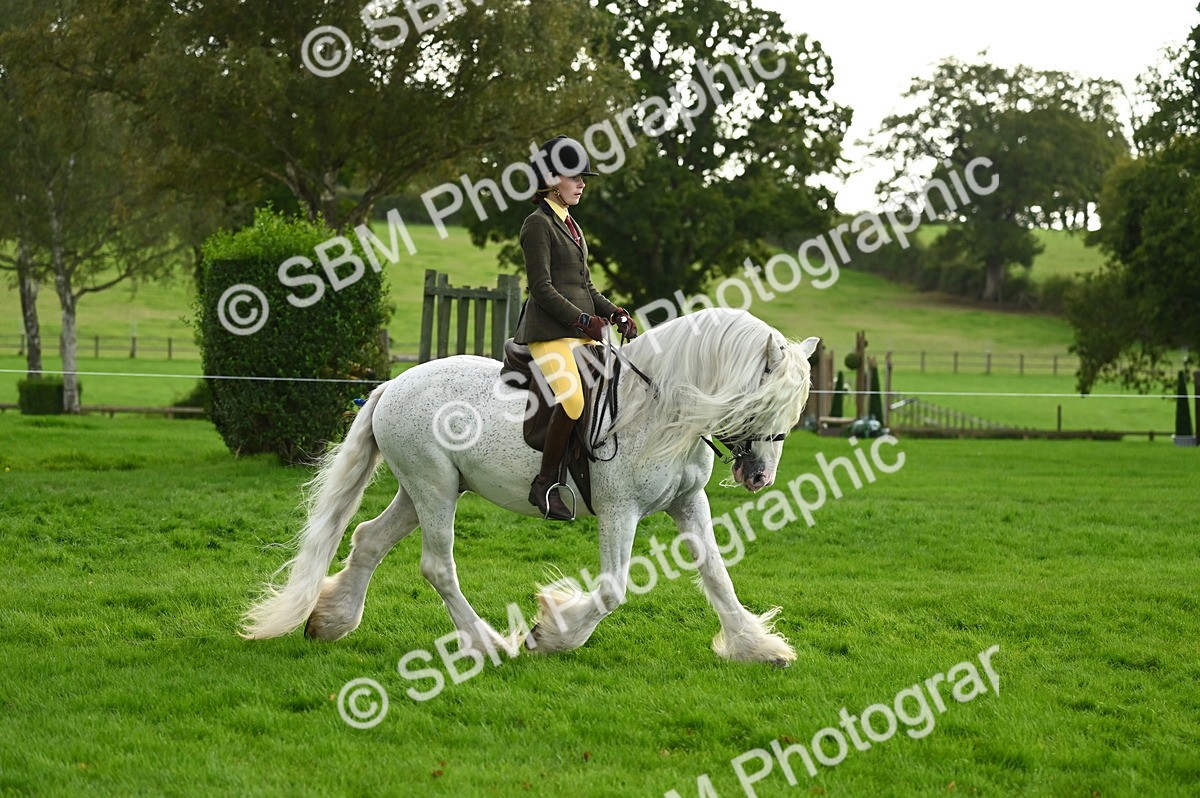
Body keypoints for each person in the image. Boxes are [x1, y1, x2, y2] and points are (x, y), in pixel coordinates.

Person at [513, 135, 638, 520]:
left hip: (578, 333)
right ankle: (545, 483)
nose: (582, 183)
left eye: (584, 177)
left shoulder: (571, 224)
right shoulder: (537, 225)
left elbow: (585, 287)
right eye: (575, 177)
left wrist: (614, 312)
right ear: (551, 179)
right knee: (573, 400)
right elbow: (542, 288)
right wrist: (583, 319)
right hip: (547, 335)